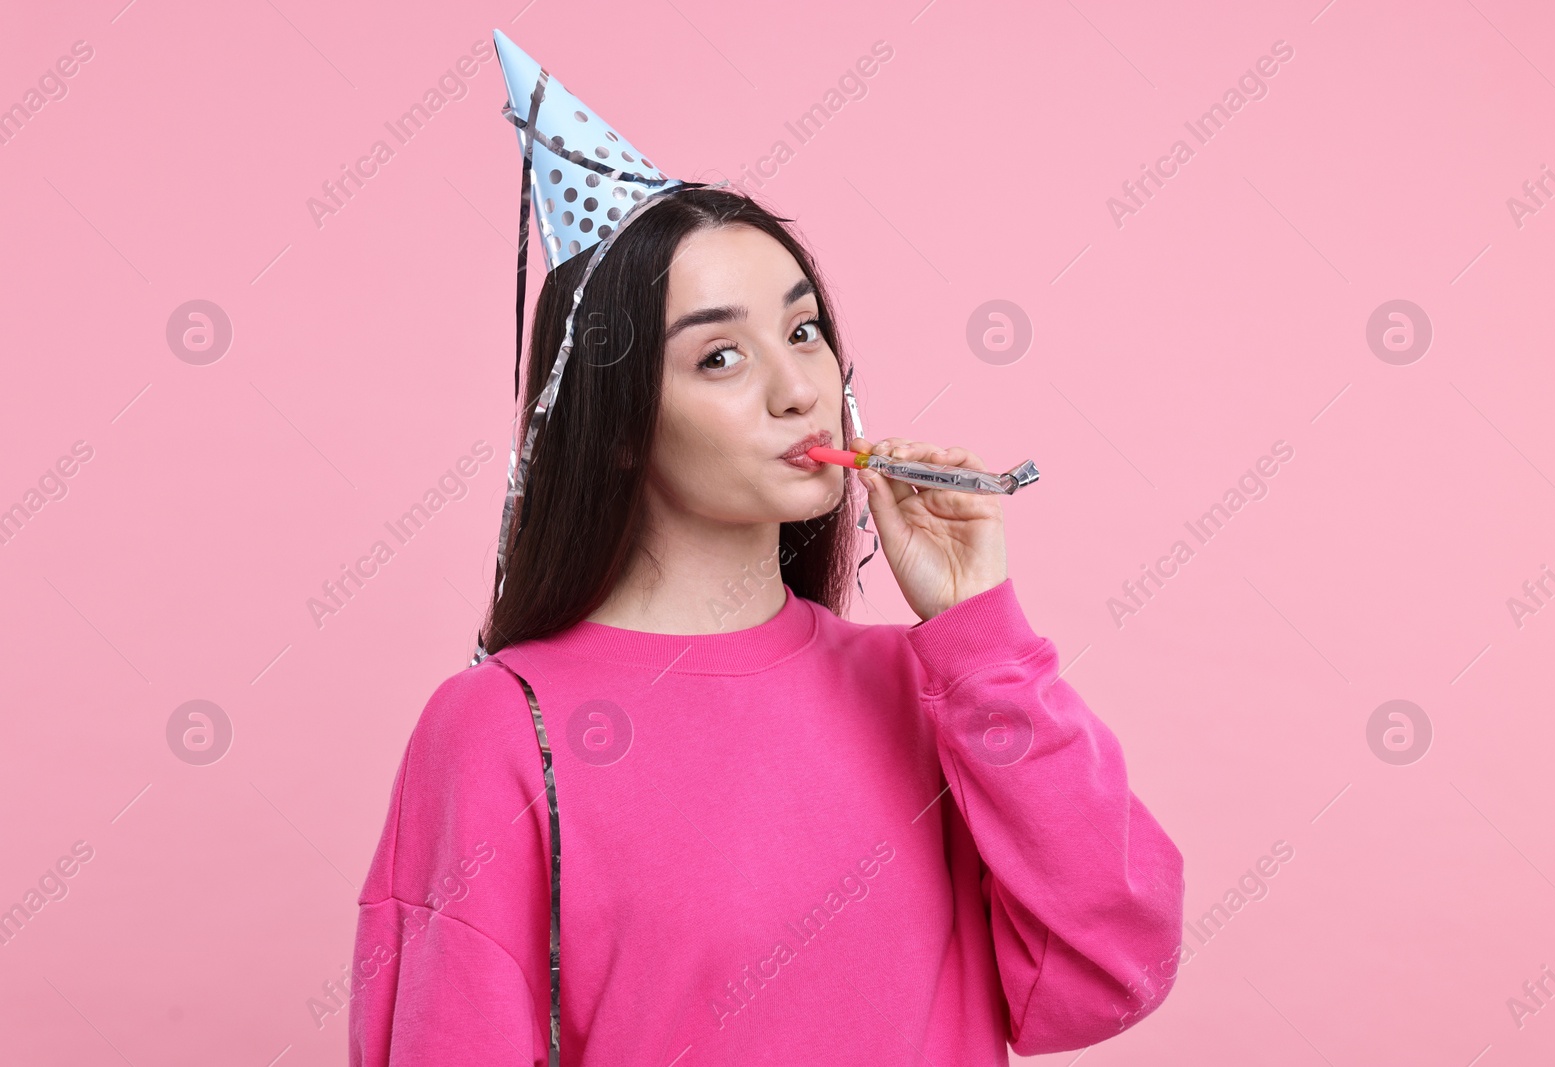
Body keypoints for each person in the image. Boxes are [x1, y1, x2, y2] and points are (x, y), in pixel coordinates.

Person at [347, 185, 1185, 1065]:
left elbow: (1116, 963)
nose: (797, 390)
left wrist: (982, 639)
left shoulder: (931, 689)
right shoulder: (500, 727)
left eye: (802, 331)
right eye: (719, 357)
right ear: (621, 422)